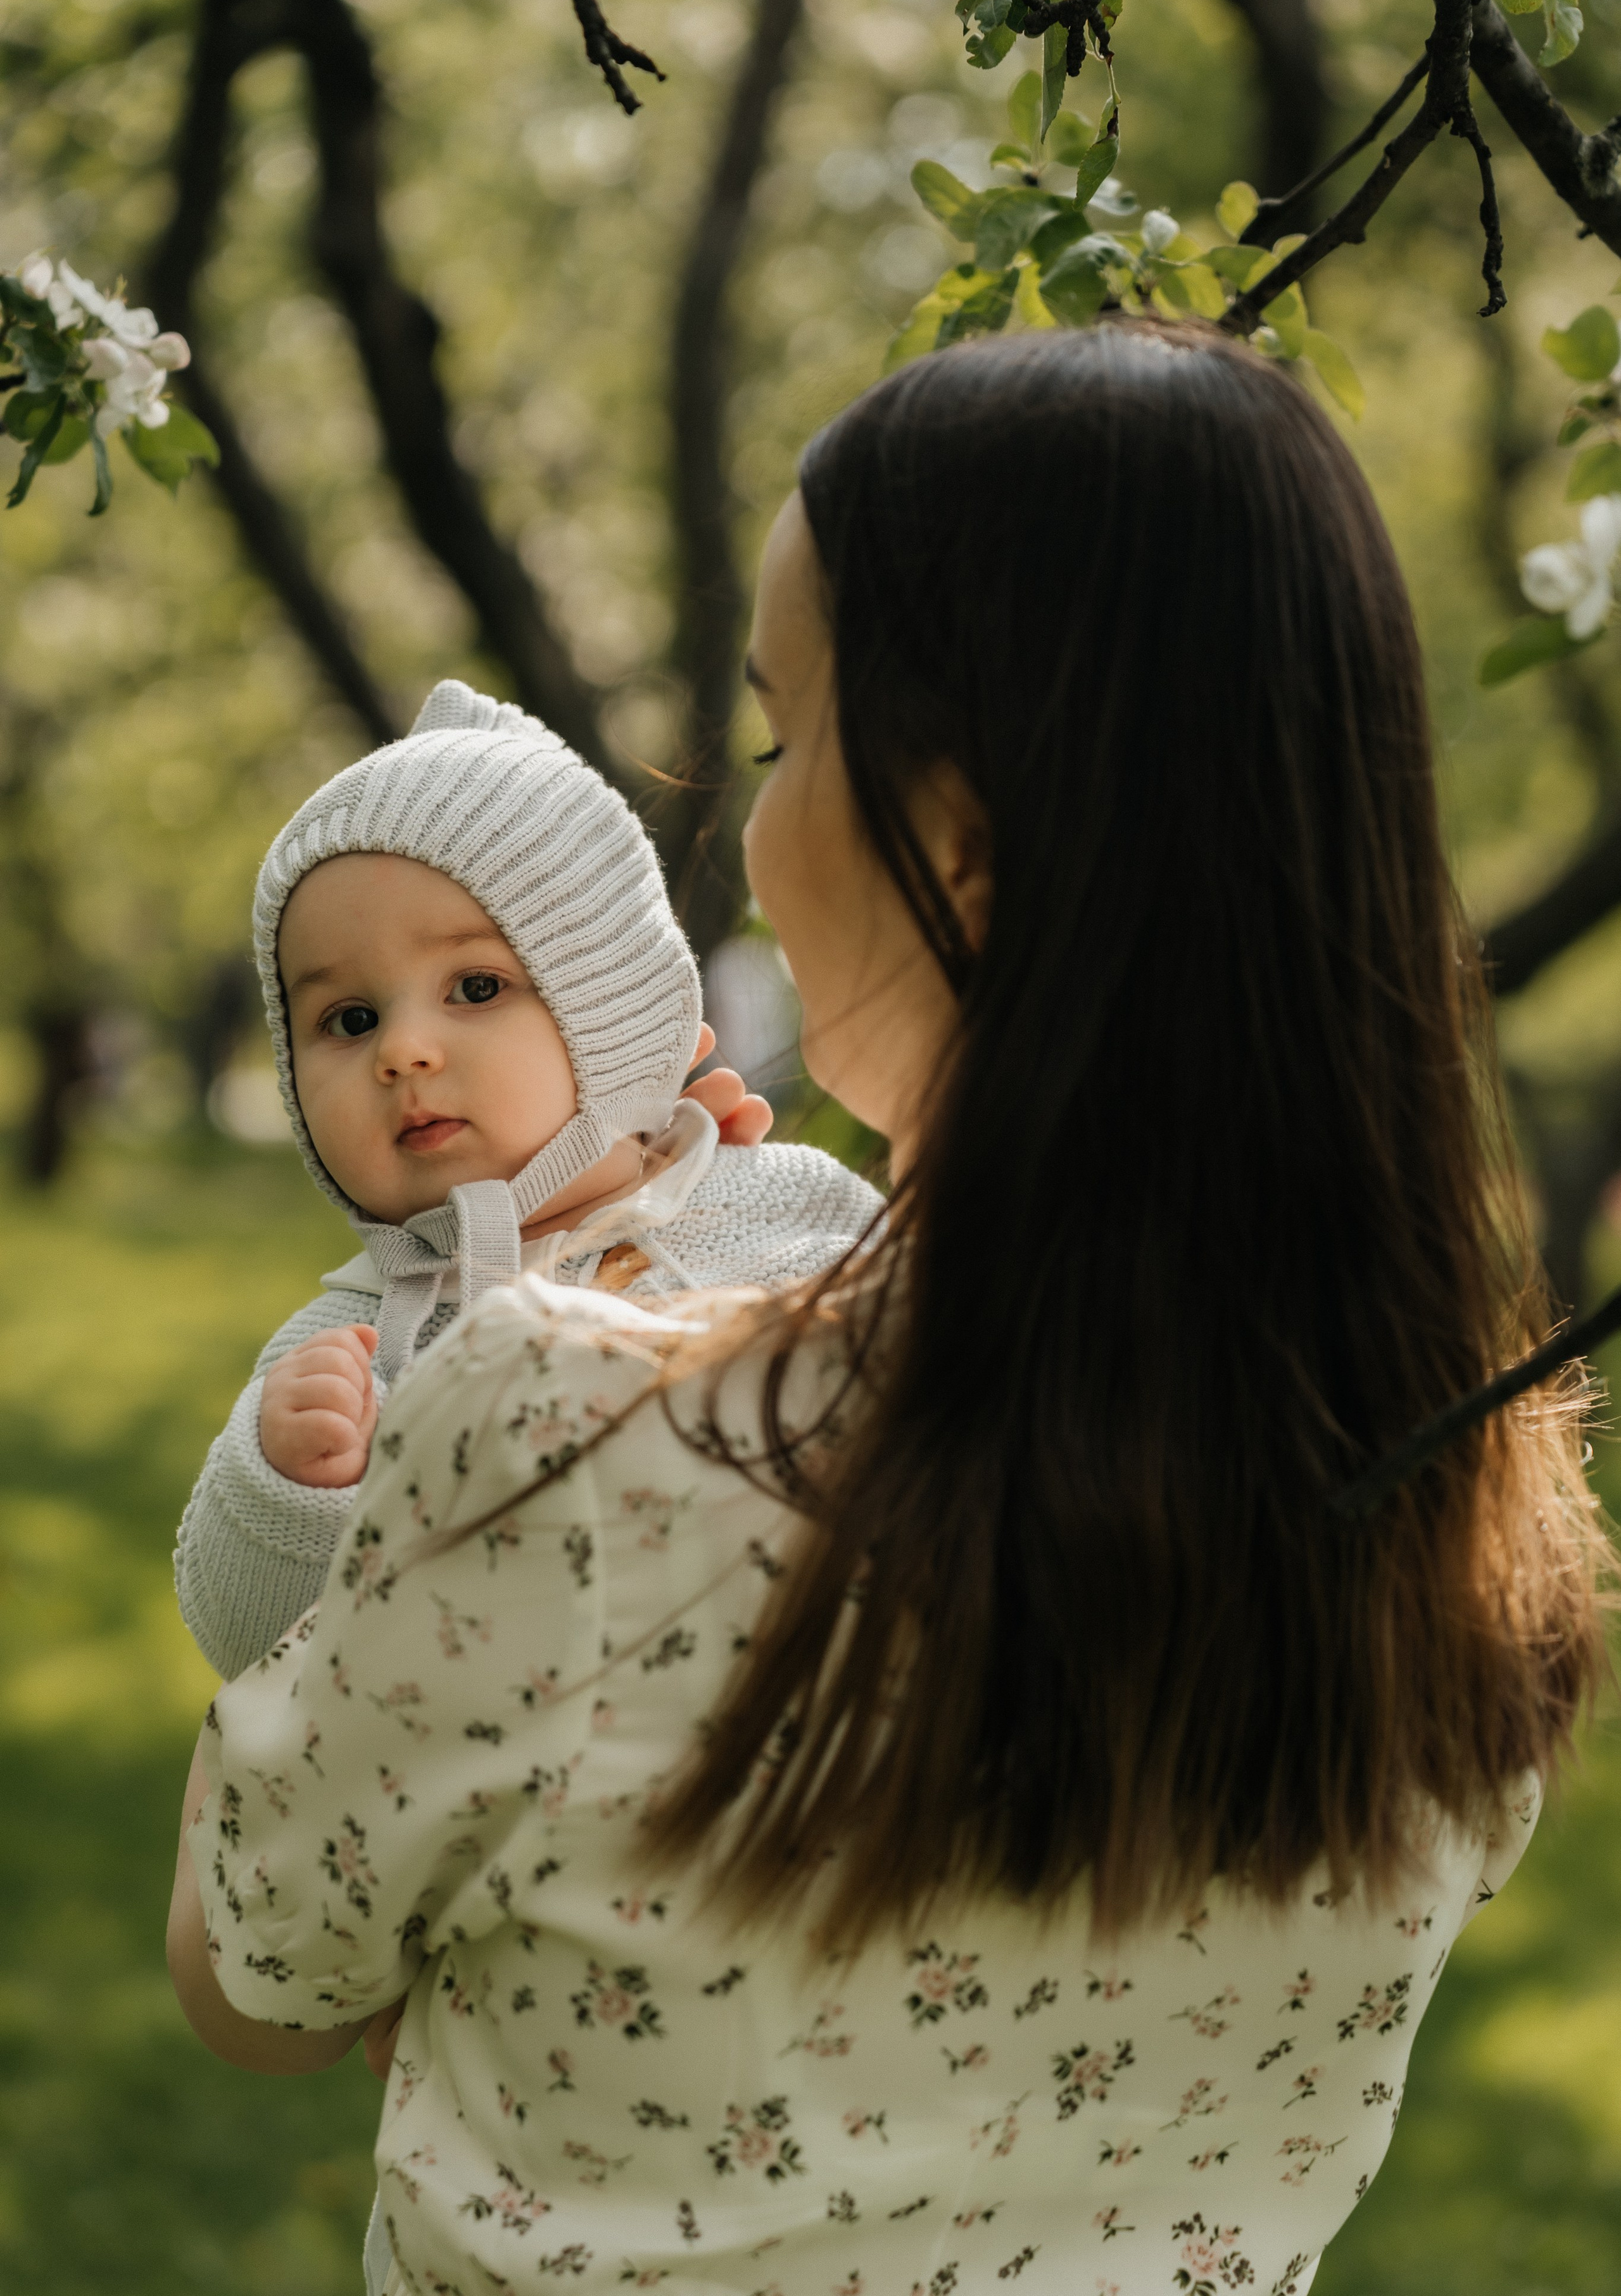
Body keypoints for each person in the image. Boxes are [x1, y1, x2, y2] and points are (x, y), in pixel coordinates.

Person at [168, 322, 1609, 2296]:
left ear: (955, 841)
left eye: (778, 737)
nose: (750, 829)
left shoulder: (562, 1439)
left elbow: (260, 1979)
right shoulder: (1472, 1517)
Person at [172, 676, 882, 1682]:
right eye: (350, 1019)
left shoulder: (773, 1207)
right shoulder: (356, 1347)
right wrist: (290, 1486)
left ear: (618, 1018)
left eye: (476, 988)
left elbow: (948, 1400)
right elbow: (250, 1647)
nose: (403, 1050)